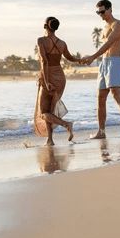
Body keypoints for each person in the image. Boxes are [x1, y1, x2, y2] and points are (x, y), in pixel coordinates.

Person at [80, 0, 120, 139]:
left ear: (110, 9)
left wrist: (93, 56)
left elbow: (109, 43)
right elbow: (104, 47)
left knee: (116, 94)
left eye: (102, 11)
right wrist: (93, 58)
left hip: (114, 62)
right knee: (100, 97)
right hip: (104, 63)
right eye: (98, 12)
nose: (100, 14)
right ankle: (101, 132)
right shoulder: (105, 27)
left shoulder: (118, 25)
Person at [34, 16, 81, 145]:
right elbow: (70, 57)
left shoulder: (41, 41)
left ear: (45, 26)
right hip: (60, 77)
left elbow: (44, 61)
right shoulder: (62, 43)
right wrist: (80, 60)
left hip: (48, 75)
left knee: (44, 112)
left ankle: (66, 125)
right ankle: (50, 139)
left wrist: (46, 80)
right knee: (50, 110)